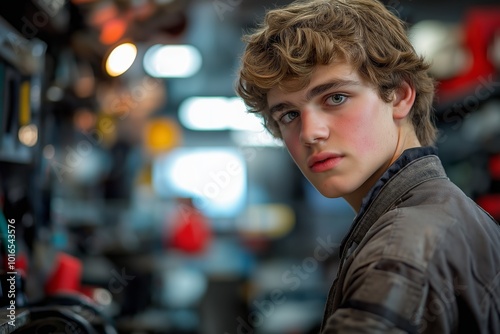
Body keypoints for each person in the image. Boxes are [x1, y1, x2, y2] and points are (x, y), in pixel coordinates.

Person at [235, 0, 500, 332]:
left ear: (401, 96)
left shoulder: (398, 252)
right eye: (288, 114)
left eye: (336, 98)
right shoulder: (446, 214)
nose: (310, 133)